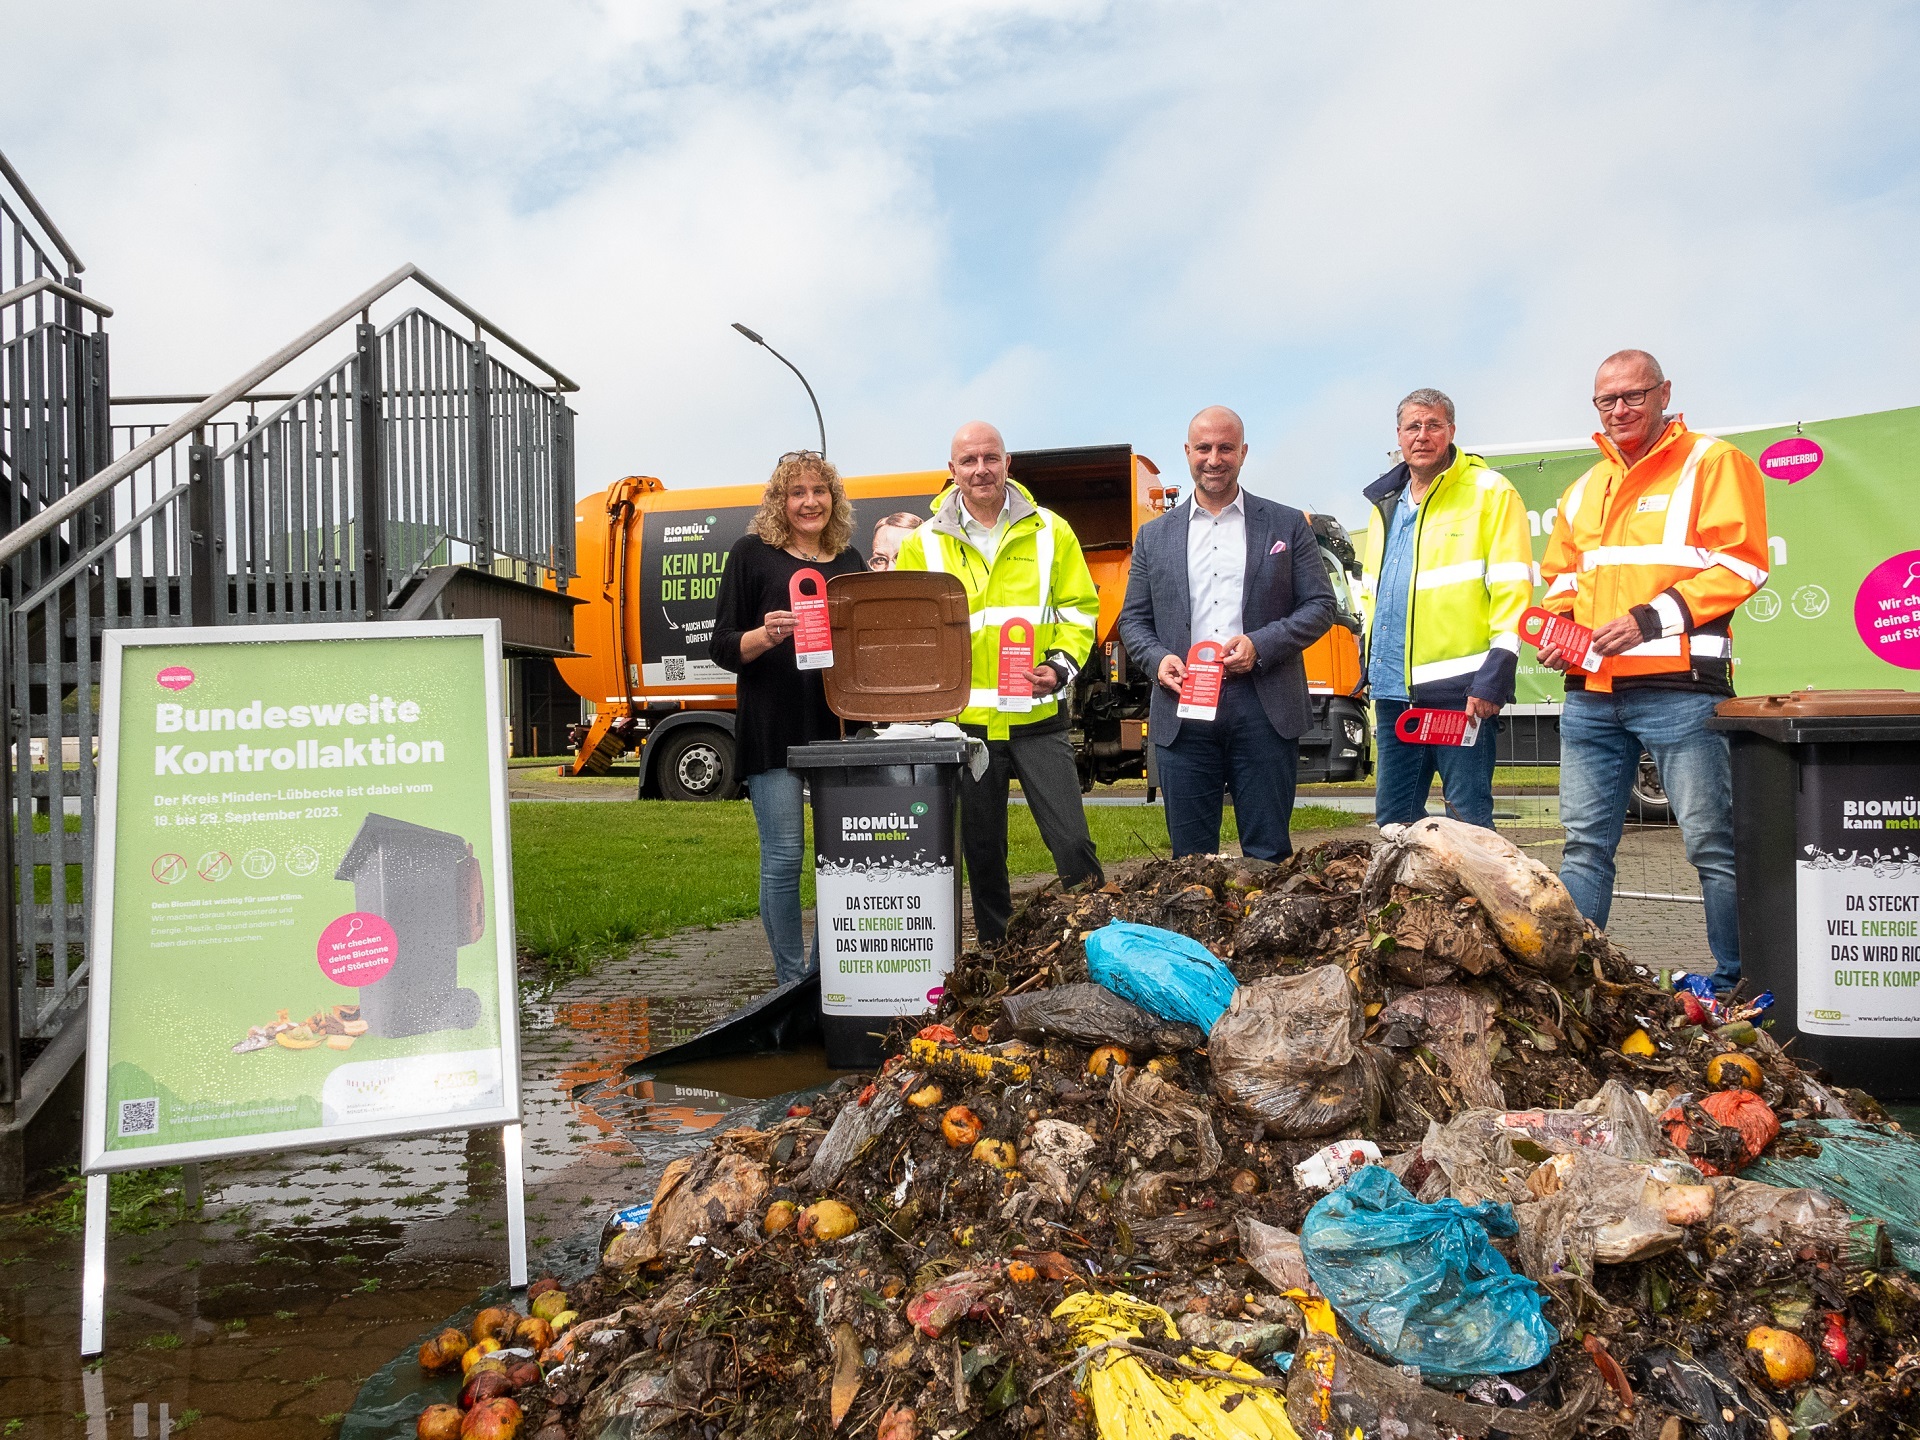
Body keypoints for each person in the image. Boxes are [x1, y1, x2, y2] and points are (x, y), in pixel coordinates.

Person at [1538, 350, 1769, 994]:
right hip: (1590, 696)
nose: (1619, 410)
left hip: (1680, 692)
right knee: (1583, 849)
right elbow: (1562, 581)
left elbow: (1743, 564)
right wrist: (1560, 634)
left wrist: (1649, 619)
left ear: (1664, 392)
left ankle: (1738, 985)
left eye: (1633, 396)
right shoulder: (1583, 488)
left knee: (1713, 847)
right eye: (1606, 401)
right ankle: (1575, 984)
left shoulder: (1713, 462)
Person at [895, 422, 1104, 943]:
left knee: (1073, 844)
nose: (981, 469)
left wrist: (1058, 667)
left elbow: (1081, 612)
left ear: (1008, 464)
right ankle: (997, 955)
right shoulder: (923, 544)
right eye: (969, 460)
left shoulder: (1052, 530)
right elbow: (912, 632)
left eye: (991, 457)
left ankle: (1100, 942)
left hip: (1037, 716)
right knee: (984, 856)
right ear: (952, 471)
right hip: (966, 728)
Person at [1118, 406, 1336, 861]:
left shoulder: (1287, 524)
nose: (1213, 459)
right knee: (1190, 861)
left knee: (1269, 854)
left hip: (1263, 705)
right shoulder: (1153, 536)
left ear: (1243, 452)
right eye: (1203, 448)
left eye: (1225, 448)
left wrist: (1261, 644)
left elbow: (1320, 606)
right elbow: (1133, 621)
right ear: (1187, 452)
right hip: (1184, 710)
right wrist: (1159, 660)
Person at [711, 451, 866, 985]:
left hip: (838, 728)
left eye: (818, 491)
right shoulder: (751, 554)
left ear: (833, 499)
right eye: (796, 492)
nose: (809, 502)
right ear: (781, 501)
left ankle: (827, 976)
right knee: (783, 858)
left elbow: (863, 646)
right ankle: (789, 981)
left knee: (837, 862)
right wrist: (766, 635)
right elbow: (723, 646)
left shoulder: (849, 561)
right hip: (772, 725)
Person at [1358, 388, 1534, 828]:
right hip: (1396, 694)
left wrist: (1496, 673)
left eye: (1433, 425)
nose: (1423, 435)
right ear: (1398, 436)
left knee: (1470, 823)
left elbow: (1513, 589)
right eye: (1413, 426)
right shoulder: (1386, 505)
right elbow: (1376, 596)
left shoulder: (1490, 492)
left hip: (1462, 695)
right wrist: (1369, 663)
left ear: (1451, 431)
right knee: (1394, 825)